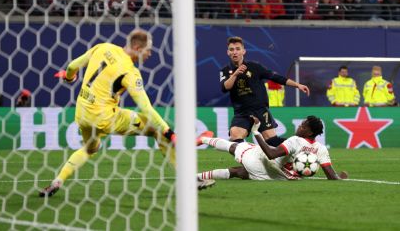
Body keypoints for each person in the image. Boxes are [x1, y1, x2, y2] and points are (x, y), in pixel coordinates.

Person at [39, 29, 214, 196]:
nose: (150, 54)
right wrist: (169, 132)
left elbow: (71, 66)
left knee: (90, 148)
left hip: (82, 113)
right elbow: (146, 108)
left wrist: (69, 78)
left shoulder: (103, 47)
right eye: (148, 50)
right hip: (105, 117)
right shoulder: (130, 72)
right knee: (156, 130)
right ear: (137, 48)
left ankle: (57, 181)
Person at [219, 36, 310, 146]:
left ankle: (301, 145)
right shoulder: (225, 71)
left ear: (244, 51)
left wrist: (297, 85)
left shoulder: (254, 67)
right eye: (232, 49)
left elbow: (276, 77)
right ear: (227, 52)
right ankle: (250, 159)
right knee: (235, 138)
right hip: (242, 112)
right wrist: (235, 74)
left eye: (238, 49)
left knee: (272, 142)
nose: (235, 52)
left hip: (260, 110)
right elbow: (225, 87)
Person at [197, 115, 348, 181]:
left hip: (264, 162)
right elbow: (331, 176)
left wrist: (256, 131)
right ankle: (196, 177)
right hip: (276, 177)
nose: (299, 126)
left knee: (236, 146)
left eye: (302, 125)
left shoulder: (295, 140)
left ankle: (203, 138)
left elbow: (270, 154)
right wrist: (340, 178)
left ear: (309, 131)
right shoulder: (321, 149)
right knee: (238, 172)